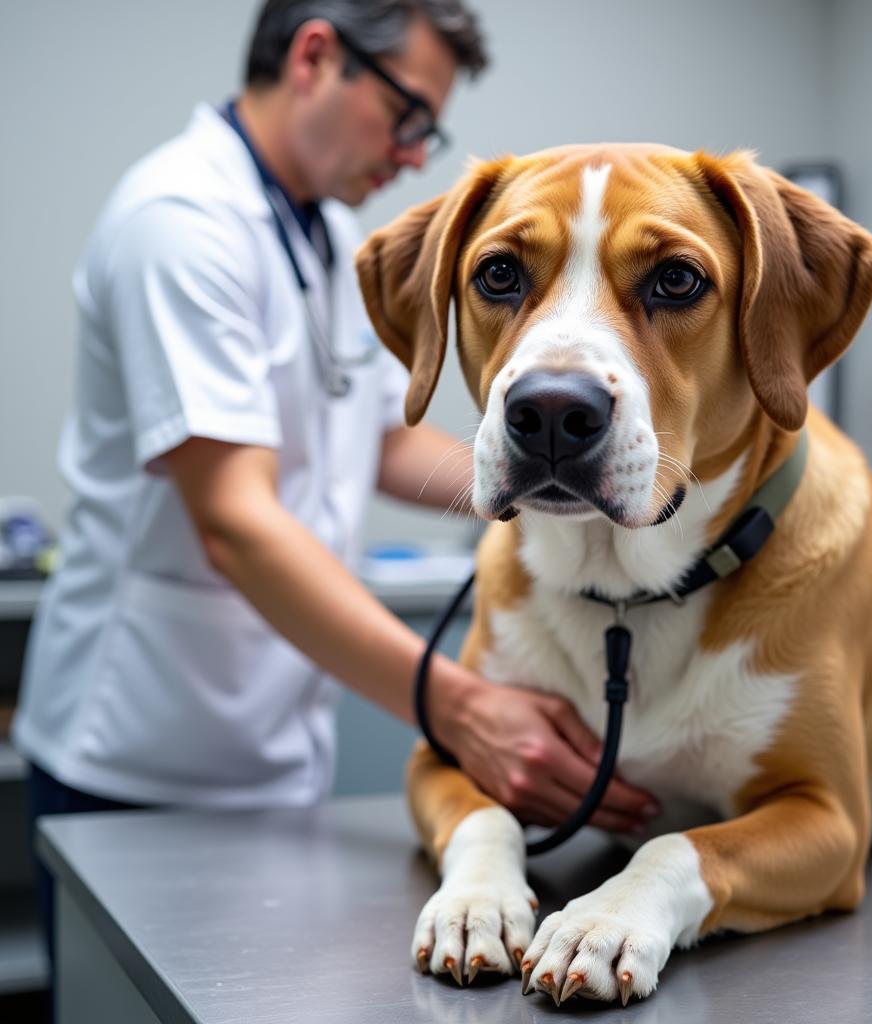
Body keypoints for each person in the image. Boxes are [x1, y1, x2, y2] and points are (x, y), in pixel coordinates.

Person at [13, 0, 660, 971]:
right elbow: (234, 519)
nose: (413, 155)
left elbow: (374, 443)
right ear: (316, 56)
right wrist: (457, 704)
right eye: (409, 115)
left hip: (268, 746)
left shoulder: (316, 236)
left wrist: (555, 465)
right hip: (136, 754)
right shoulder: (182, 221)